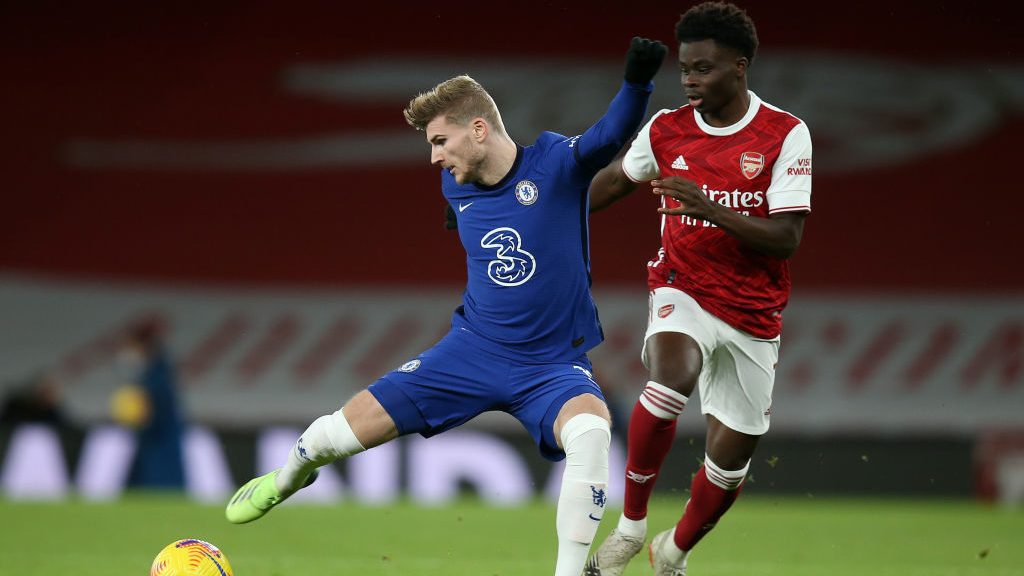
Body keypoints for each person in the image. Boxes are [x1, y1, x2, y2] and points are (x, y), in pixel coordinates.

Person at [225, 37, 667, 576]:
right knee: (331, 437)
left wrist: (638, 81)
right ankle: (288, 477)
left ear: (478, 129)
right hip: (471, 352)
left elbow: (610, 133)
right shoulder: (454, 185)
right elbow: (488, 216)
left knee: (592, 434)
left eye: (440, 141)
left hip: (551, 366)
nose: (434, 156)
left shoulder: (555, 164)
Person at [583, 3, 812, 575]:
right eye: (685, 69)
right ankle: (630, 527)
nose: (689, 80)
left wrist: (709, 208)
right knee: (671, 378)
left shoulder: (784, 134)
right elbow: (610, 184)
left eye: (703, 69)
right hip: (680, 285)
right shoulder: (666, 129)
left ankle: (674, 550)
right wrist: (524, 209)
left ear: (739, 67)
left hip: (754, 311)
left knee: (729, 465)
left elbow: (785, 239)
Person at [116, 319, 187, 490]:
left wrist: (137, 414)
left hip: (160, 439)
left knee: (160, 482)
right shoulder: (153, 371)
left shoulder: (156, 375)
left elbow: (151, 410)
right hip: (154, 438)